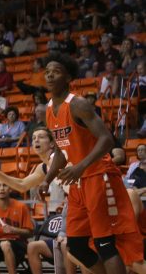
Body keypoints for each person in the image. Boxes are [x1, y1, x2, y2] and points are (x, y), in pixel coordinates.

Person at [43, 51, 145, 274]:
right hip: (79, 183)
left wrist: (80, 166)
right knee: (77, 246)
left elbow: (107, 139)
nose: (49, 76)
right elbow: (61, 152)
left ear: (68, 78)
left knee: (105, 243)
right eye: (47, 72)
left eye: (56, 72)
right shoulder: (49, 110)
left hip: (99, 176)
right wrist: (47, 179)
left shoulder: (77, 104)